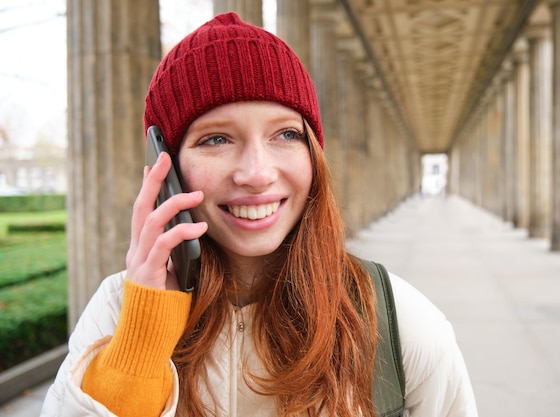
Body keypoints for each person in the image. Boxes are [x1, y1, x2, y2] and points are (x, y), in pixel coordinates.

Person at [41, 12, 478, 417]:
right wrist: (144, 335)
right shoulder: (117, 312)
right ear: (166, 168)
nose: (257, 173)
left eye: (286, 134)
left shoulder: (398, 321)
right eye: (216, 140)